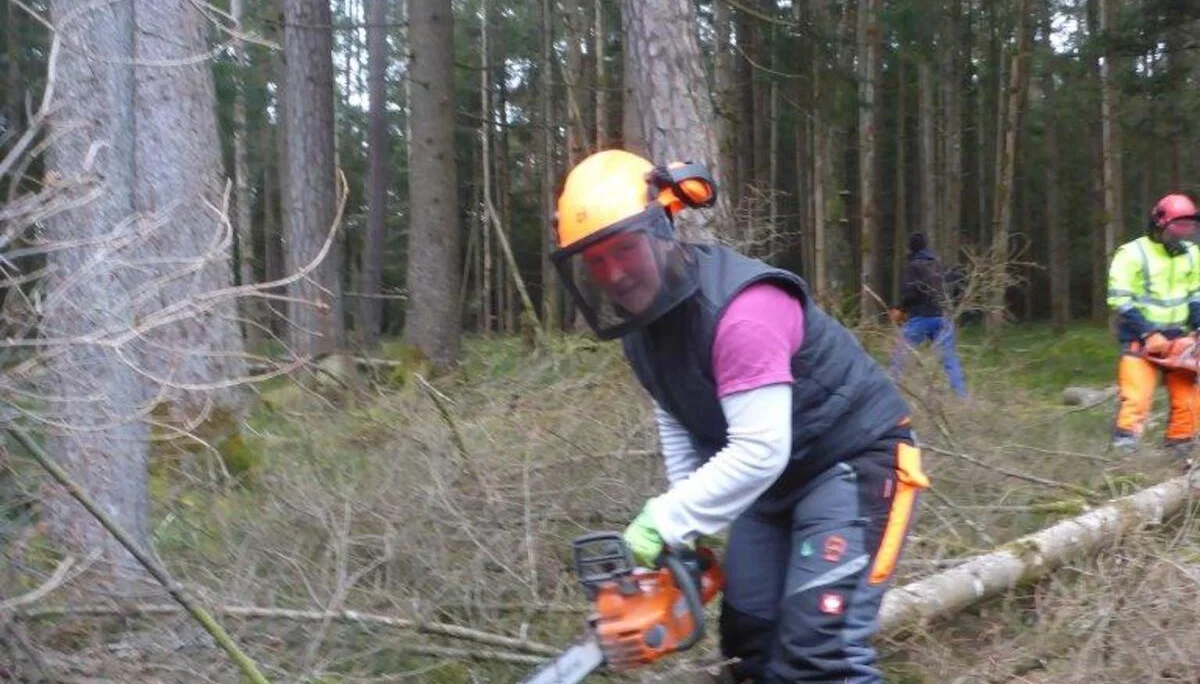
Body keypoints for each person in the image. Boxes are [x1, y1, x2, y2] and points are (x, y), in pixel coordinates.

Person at [550, 149, 929, 684]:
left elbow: (759, 448)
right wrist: (684, 533)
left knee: (820, 652)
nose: (613, 272)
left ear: (661, 231)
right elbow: (683, 423)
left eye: (624, 249)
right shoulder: (643, 332)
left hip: (851, 461)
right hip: (771, 487)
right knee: (749, 644)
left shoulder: (742, 311)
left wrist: (664, 519)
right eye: (595, 260)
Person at [1107, 193, 1200, 461]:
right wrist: (1149, 332)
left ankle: (1180, 459)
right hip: (1139, 338)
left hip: (1179, 340)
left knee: (1190, 404)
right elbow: (1120, 300)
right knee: (1135, 401)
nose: (1185, 232)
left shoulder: (1193, 255)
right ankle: (1121, 464)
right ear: (1160, 223)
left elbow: (1196, 295)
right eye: (1179, 226)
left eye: (1189, 226)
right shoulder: (1132, 253)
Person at [888, 232, 968, 398]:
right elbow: (950, 282)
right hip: (942, 317)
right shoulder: (936, 264)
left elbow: (910, 293)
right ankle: (962, 396)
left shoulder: (914, 266)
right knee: (949, 359)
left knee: (900, 353)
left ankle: (892, 392)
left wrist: (900, 309)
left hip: (921, 318)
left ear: (911, 248)